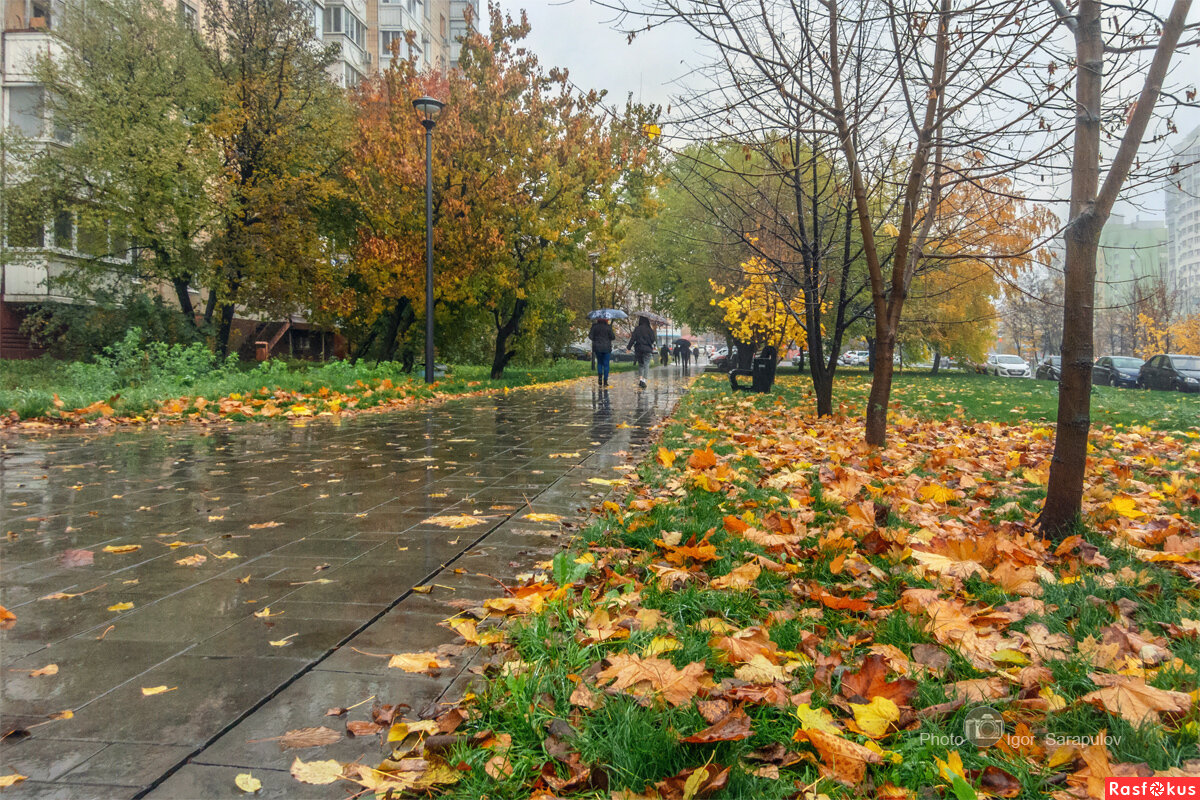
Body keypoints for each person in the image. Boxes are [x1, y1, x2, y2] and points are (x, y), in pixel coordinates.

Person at [627, 317, 657, 388]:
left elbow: (633, 339)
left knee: (641, 364)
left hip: (639, 349)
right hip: (647, 349)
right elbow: (653, 339)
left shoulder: (637, 329)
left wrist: (628, 348)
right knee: (646, 364)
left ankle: (640, 380)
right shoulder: (650, 330)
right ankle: (644, 381)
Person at [588, 316, 615, 387]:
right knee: (606, 364)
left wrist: (596, 339)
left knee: (599, 363)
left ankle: (600, 379)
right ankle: (605, 381)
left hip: (597, 347)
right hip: (606, 348)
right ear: (606, 320)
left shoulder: (594, 326)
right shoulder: (608, 327)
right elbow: (613, 337)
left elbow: (590, 336)